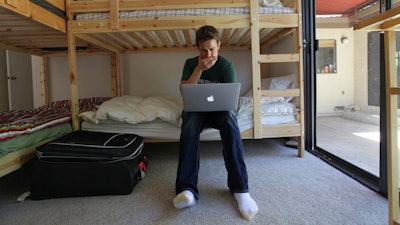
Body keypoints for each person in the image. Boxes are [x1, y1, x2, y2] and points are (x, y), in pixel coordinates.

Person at [173, 25, 258, 221]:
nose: (208, 54)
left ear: (219, 45)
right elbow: (184, 90)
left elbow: (231, 101)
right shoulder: (191, 63)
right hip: (197, 111)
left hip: (220, 111)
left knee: (230, 120)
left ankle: (240, 189)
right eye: (204, 50)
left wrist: (224, 107)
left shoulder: (226, 66)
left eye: (212, 49)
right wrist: (199, 69)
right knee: (189, 124)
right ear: (198, 48)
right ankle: (187, 189)